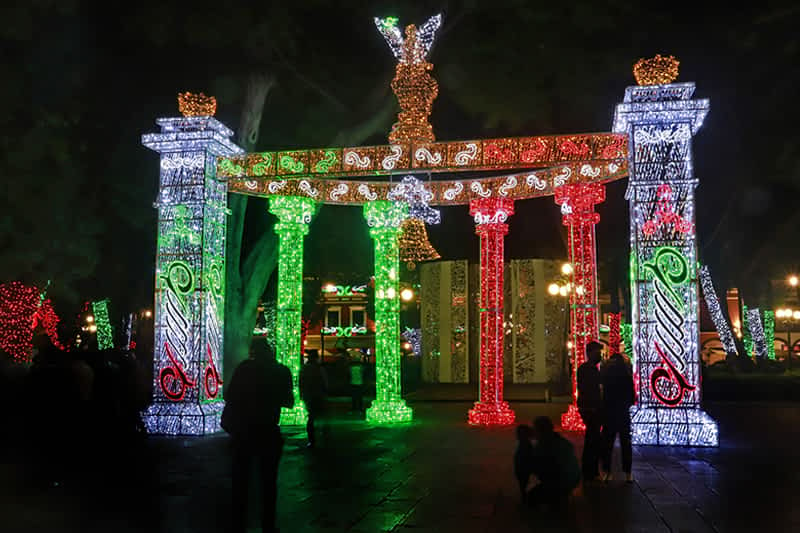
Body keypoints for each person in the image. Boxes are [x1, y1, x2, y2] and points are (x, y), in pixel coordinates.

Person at [222, 337, 293, 533]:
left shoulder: (244, 369)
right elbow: (288, 401)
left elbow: (229, 395)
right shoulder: (280, 371)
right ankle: (268, 525)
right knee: (268, 483)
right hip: (268, 431)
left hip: (244, 431)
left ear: (253, 351)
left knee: (240, 481)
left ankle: (238, 522)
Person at [526, 416, 581, 511]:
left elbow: (537, 468)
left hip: (561, 481)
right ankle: (559, 494)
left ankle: (556, 497)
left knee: (531, 497)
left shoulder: (544, 447)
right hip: (573, 479)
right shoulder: (561, 441)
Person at [600, 349, 636, 482]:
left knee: (607, 444)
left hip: (609, 413)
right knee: (626, 443)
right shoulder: (626, 377)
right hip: (623, 413)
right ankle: (628, 473)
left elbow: (603, 396)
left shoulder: (606, 377)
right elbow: (632, 398)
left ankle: (607, 472)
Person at [576, 341, 603, 482]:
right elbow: (591, 389)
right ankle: (590, 471)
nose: (600, 355)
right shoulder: (589, 369)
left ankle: (590, 470)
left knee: (592, 438)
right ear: (591, 353)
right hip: (591, 408)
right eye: (598, 353)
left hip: (588, 407)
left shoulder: (587, 368)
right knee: (593, 439)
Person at [299, 349, 328, 447]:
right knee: (322, 416)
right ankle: (325, 437)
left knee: (311, 417)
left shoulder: (304, 368)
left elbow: (301, 382)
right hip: (318, 394)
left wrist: (302, 394)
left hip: (309, 395)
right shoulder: (319, 368)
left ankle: (312, 440)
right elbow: (325, 382)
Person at [513, 424, 533, 503]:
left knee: (523, 483)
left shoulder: (525, 445)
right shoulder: (526, 444)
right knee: (523, 483)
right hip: (522, 469)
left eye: (518, 434)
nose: (516, 435)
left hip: (523, 469)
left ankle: (525, 497)